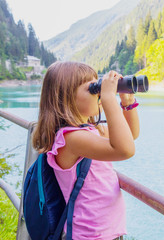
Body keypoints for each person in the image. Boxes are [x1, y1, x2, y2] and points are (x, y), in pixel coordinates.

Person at [32, 61, 140, 240]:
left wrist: (127, 104)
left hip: (105, 231)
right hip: (90, 234)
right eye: (93, 88)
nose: (98, 92)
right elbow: (125, 150)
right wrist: (108, 99)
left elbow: (130, 135)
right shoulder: (70, 139)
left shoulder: (88, 130)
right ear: (66, 98)